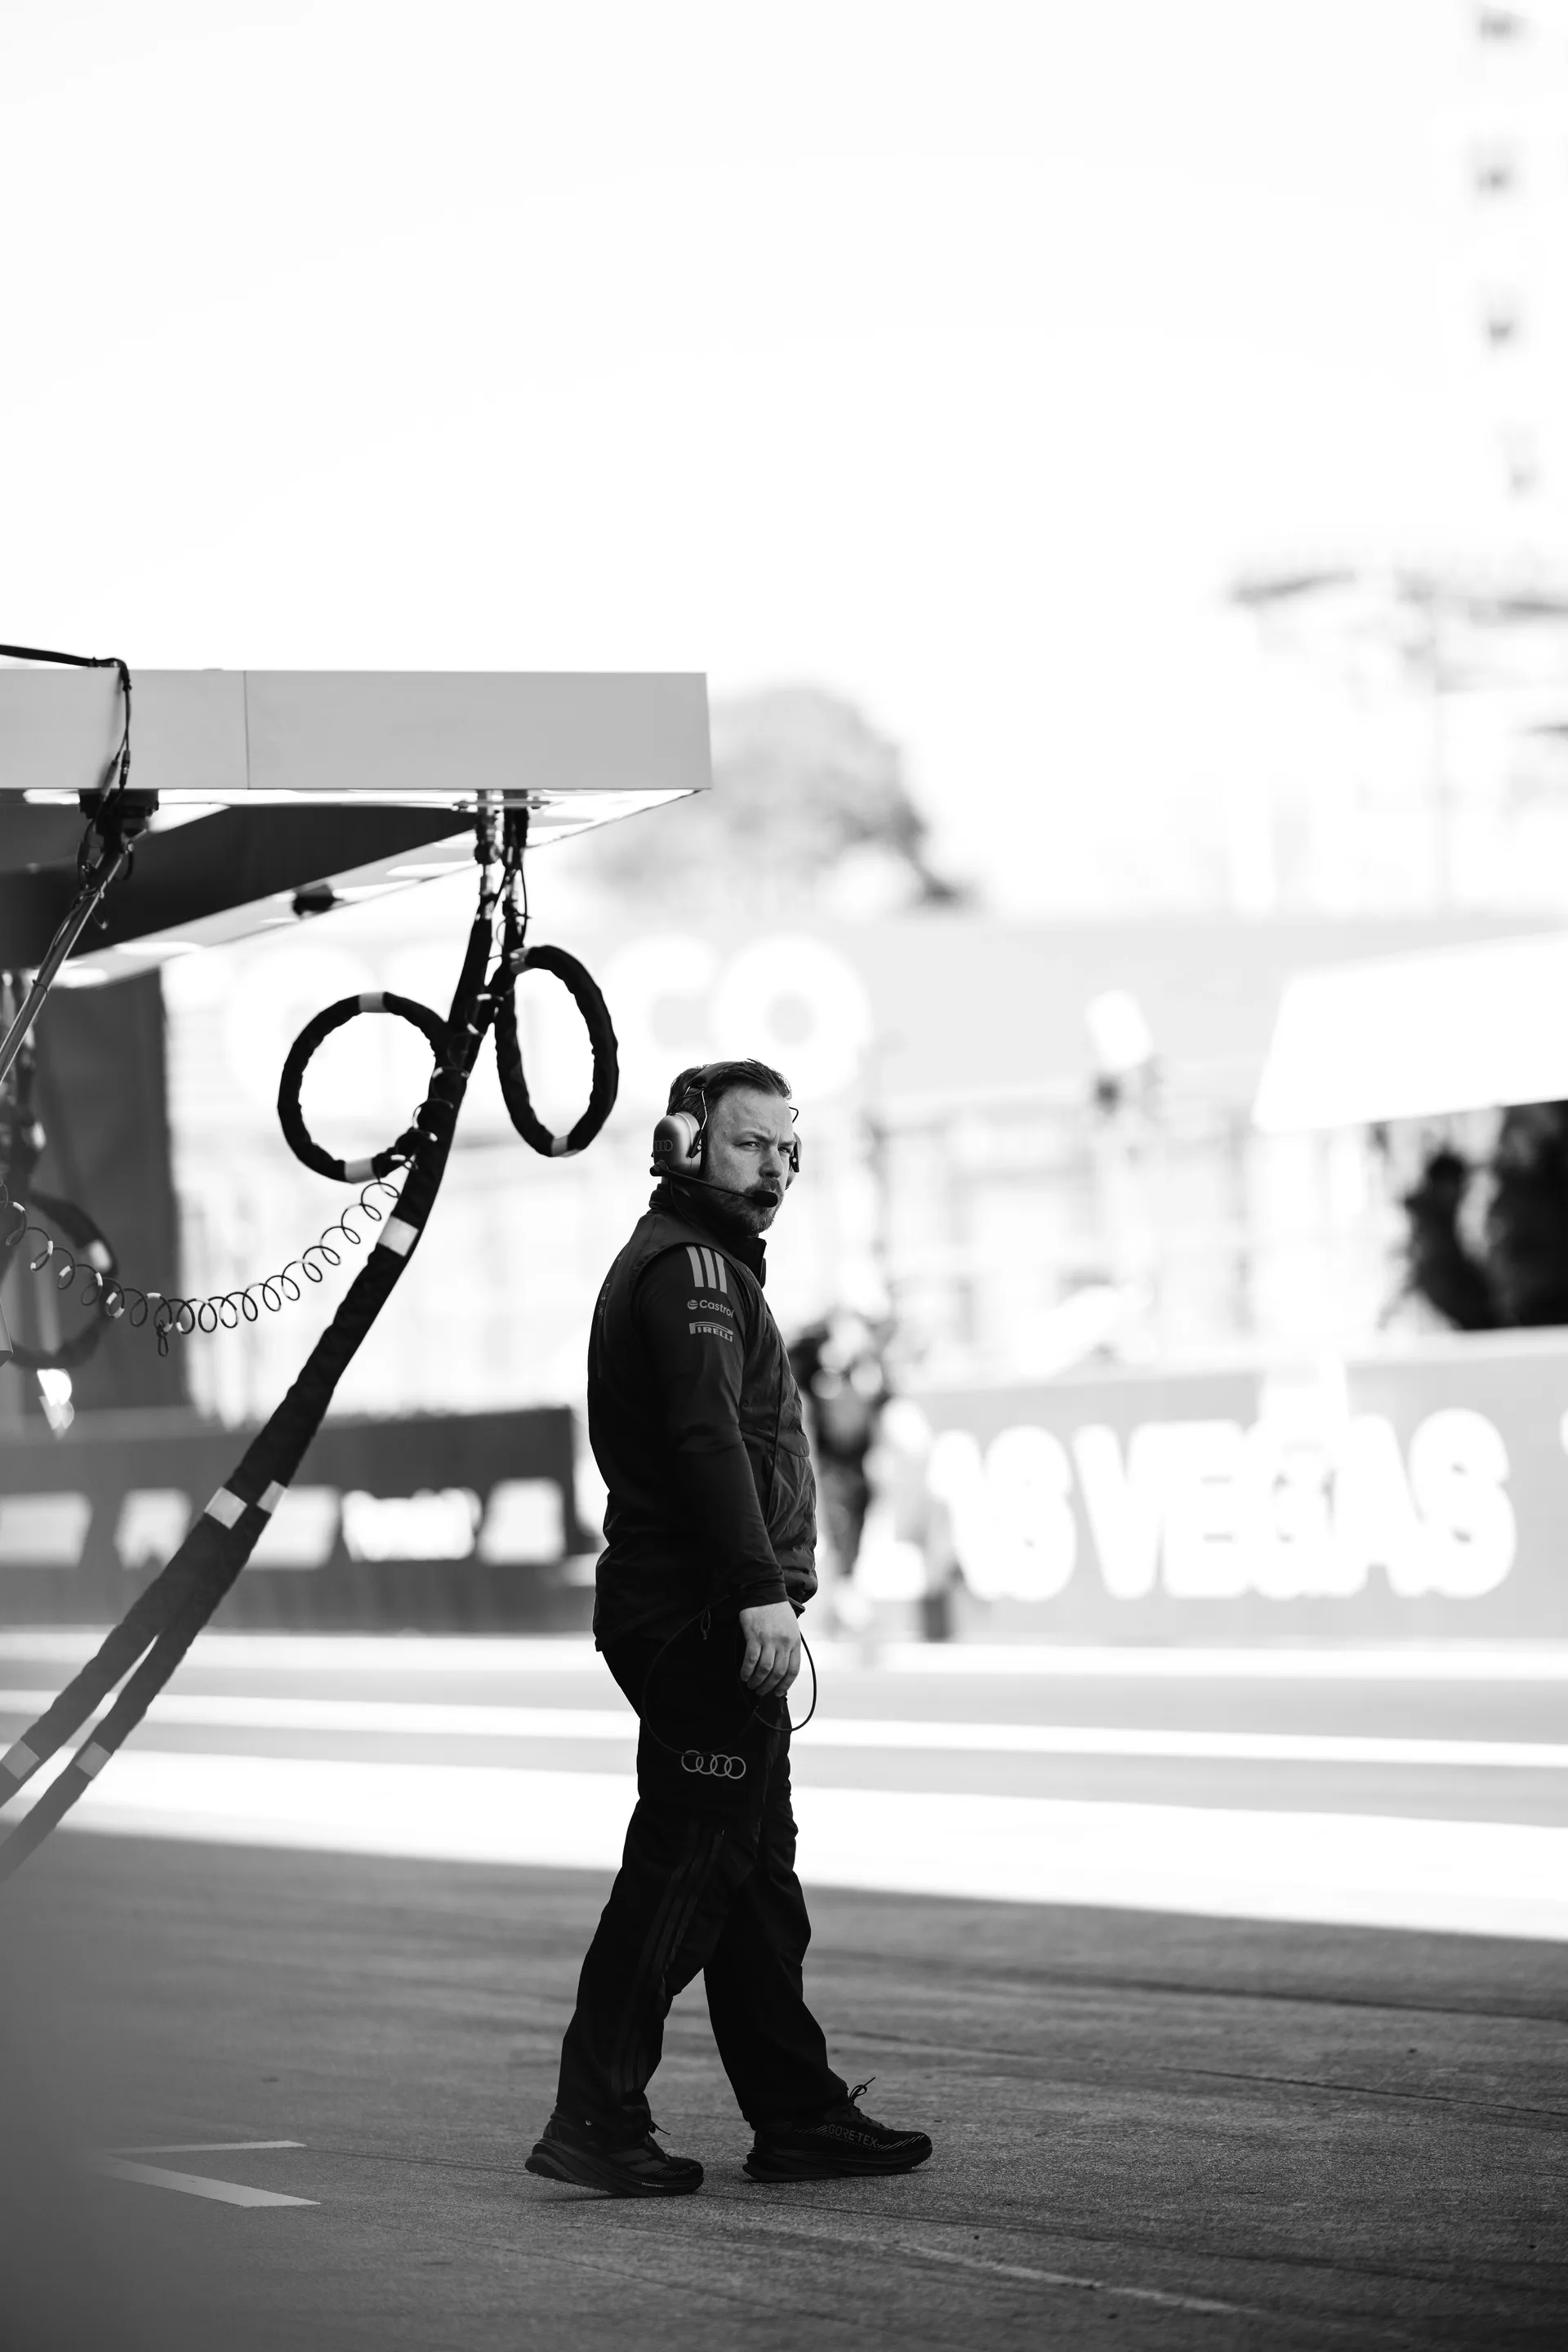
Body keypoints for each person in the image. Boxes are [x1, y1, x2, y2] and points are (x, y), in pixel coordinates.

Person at [527, 1058, 933, 2198]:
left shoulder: (703, 1266)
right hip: (702, 1613)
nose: (775, 1169)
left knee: (754, 1880)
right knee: (687, 1871)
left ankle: (796, 2113)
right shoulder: (695, 1268)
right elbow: (708, 1441)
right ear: (686, 1144)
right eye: (752, 1144)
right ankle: (595, 2114)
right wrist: (760, 1591)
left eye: (786, 1148)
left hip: (707, 1608)